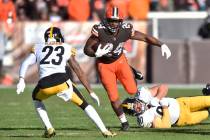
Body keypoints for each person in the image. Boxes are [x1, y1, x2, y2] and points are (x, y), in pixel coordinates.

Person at [16, 27, 116, 138]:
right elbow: (78, 70)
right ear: (60, 37)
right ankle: (104, 130)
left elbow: (25, 63)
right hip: (62, 82)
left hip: (45, 85)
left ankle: (49, 128)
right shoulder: (66, 47)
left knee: (36, 98)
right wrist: (91, 92)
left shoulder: (38, 47)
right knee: (84, 104)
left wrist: (21, 79)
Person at [83, 6, 172, 131]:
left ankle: (131, 70)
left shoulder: (126, 30)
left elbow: (145, 37)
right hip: (104, 65)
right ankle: (124, 122)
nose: (114, 24)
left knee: (132, 90)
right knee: (113, 97)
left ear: (121, 21)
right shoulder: (99, 30)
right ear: (106, 20)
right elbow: (86, 49)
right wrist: (95, 54)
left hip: (120, 61)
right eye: (111, 20)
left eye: (116, 21)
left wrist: (161, 44)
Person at [122, 84, 210, 128]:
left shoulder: (144, 96)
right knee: (206, 113)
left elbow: (164, 87)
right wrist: (165, 108)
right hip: (183, 119)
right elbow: (166, 125)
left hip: (182, 102)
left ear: (137, 99)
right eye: (135, 109)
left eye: (136, 104)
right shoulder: (144, 119)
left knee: (208, 101)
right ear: (135, 114)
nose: (138, 107)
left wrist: (157, 98)